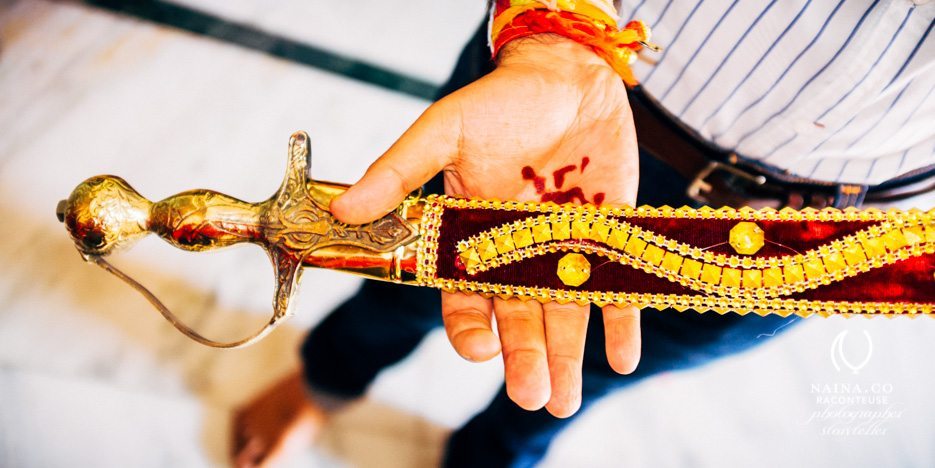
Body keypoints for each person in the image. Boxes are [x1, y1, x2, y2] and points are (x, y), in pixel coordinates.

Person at [233, 1, 934, 466]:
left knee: (595, 370)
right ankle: (324, 382)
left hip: (829, 227)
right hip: (562, 86)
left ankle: (493, 459)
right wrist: (553, 43)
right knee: (402, 284)